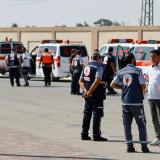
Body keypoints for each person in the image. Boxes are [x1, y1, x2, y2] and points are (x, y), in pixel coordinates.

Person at [111, 53, 149, 153]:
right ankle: (144, 146)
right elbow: (142, 85)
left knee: (127, 125)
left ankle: (129, 146)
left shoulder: (120, 72)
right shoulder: (138, 71)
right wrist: (143, 92)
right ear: (132, 60)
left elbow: (112, 84)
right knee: (141, 124)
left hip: (125, 103)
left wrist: (123, 87)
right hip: (137, 102)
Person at [79, 51, 107, 141]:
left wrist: (86, 91)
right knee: (97, 114)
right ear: (98, 58)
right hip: (96, 94)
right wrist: (90, 91)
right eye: (100, 58)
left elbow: (80, 81)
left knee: (87, 114)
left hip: (88, 95)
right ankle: (96, 135)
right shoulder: (99, 67)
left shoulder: (86, 67)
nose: (101, 60)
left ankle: (84, 134)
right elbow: (97, 80)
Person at [148, 49, 160, 146]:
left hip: (159, 97)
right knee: (154, 118)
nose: (152, 58)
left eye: (154, 56)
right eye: (151, 56)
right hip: (151, 97)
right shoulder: (150, 68)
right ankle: (158, 137)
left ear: (158, 57)